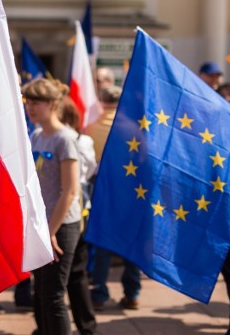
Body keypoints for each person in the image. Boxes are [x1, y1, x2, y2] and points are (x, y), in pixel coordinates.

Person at [23, 78, 81, 335]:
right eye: (28, 102)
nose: (30, 108)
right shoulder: (36, 135)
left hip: (61, 225)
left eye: (37, 102)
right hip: (40, 225)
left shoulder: (65, 139)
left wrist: (51, 230)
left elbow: (69, 192)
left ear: (53, 104)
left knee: (54, 294)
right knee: (41, 293)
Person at [85, 85, 142, 311]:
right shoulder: (135, 129)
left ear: (102, 101)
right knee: (131, 240)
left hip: (103, 188)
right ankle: (132, 293)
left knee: (102, 240)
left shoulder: (91, 128)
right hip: (131, 189)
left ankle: (99, 293)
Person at [60, 97, 98, 335]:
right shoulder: (82, 140)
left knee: (70, 274)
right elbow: (91, 168)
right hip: (76, 209)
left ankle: (84, 325)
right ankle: (87, 326)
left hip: (72, 212)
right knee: (75, 273)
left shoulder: (71, 140)